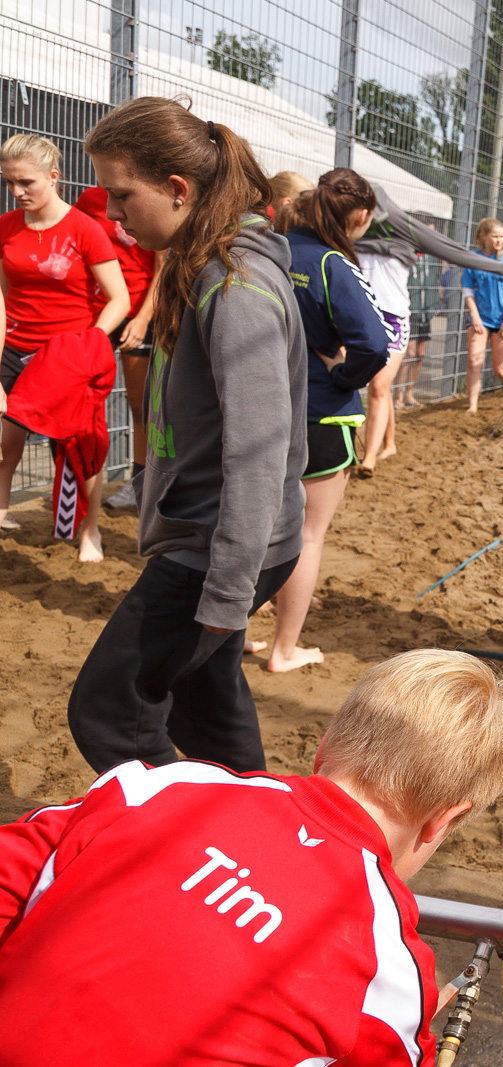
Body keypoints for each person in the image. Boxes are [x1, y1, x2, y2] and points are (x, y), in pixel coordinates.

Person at [5, 649, 503, 1065]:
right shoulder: (389, 967)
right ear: (445, 819)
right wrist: (414, 1022)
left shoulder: (162, 785)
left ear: (323, 748)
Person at [67, 98, 304, 772]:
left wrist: (228, 590)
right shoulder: (198, 266)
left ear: (177, 189)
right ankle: (254, 831)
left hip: (217, 550)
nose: (112, 214)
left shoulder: (236, 287)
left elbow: (259, 454)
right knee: (208, 711)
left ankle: (181, 844)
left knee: (110, 707)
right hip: (217, 539)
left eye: (122, 195)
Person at [265, 169, 391, 674]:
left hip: (260, 407)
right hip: (320, 413)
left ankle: (241, 639)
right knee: (306, 535)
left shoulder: (268, 249)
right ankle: (284, 648)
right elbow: (376, 343)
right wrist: (344, 377)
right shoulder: (332, 263)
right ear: (359, 217)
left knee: (259, 528)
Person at [0, 133, 129, 560]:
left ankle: (88, 529)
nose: (17, 192)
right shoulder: (5, 229)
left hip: (67, 357)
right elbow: (0, 301)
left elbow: (119, 299)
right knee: (4, 439)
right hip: (15, 350)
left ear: (53, 177)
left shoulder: (84, 228)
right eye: (8, 183)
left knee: (77, 450)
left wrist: (90, 343)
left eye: (26, 183)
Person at [354, 183, 503, 473]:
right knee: (383, 386)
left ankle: (369, 458)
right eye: (495, 235)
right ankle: (391, 442)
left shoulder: (406, 235)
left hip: (396, 320)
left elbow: (453, 252)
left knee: (379, 386)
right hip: (366, 319)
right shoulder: (350, 236)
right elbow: (467, 285)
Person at [73, 186, 162, 511]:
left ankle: (138, 484)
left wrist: (141, 319)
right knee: (83, 402)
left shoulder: (148, 195)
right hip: (95, 312)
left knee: (141, 405)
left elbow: (163, 265)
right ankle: (78, 486)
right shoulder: (90, 200)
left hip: (140, 312)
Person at [459, 217, 503, 413]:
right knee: (474, 361)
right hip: (481, 318)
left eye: (502, 237)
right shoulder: (474, 257)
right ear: (484, 237)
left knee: (500, 368)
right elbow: (468, 289)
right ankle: (472, 406)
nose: (499, 241)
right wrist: (475, 317)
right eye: (495, 236)